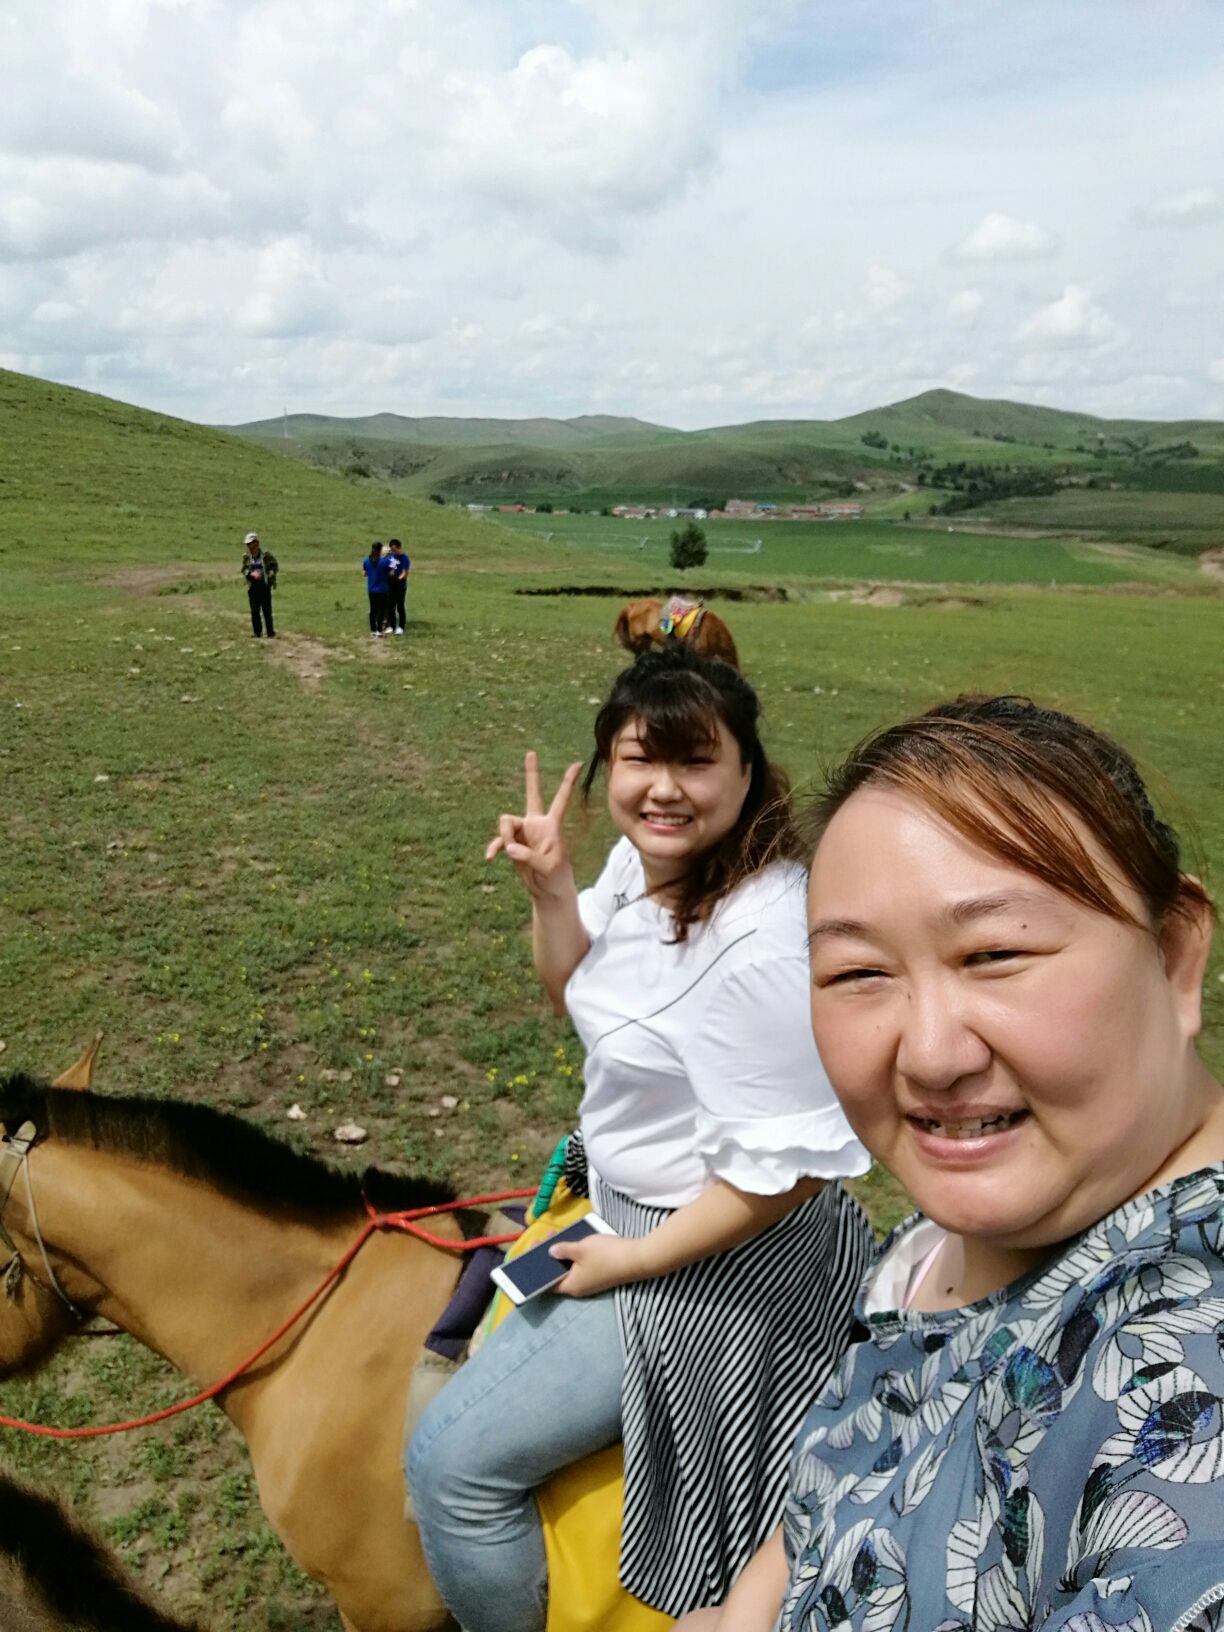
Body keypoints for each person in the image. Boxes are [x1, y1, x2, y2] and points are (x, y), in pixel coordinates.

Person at [676, 694, 1224, 1632]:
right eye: (857, 973)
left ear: (1175, 955)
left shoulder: (1179, 1389)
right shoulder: (944, 1238)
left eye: (996, 953)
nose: (929, 1056)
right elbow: (824, 1505)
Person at [407, 646, 874, 1632]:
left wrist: (630, 1261)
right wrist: (550, 889)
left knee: (447, 1462)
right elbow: (569, 989)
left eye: (695, 762)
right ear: (608, 770)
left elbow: (782, 1177)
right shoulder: (647, 861)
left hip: (711, 1257)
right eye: (637, 759)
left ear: (747, 771)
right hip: (625, 1206)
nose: (663, 788)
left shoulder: (761, 939)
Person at [241, 531, 277, 638]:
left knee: (267, 610)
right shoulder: (247, 558)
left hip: (264, 585)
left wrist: (270, 574)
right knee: (254, 610)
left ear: (256, 543)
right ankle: (257, 633)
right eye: (248, 544)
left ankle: (270, 632)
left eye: (250, 544)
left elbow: (274, 566)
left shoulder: (266, 556)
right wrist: (251, 573)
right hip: (253, 586)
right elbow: (244, 569)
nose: (249, 547)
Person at [361, 540, 390, 637]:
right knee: (381, 610)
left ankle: (373, 630)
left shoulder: (366, 560)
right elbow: (390, 573)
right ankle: (379, 630)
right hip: (383, 589)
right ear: (381, 550)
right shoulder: (384, 562)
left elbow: (364, 573)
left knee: (373, 610)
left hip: (371, 589)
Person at [386, 537, 410, 635]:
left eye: (395, 550)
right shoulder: (390, 556)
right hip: (390, 584)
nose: (393, 552)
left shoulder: (405, 559)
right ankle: (392, 626)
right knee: (390, 606)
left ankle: (401, 626)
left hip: (400, 585)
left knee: (400, 606)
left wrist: (397, 579)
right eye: (392, 550)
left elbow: (405, 573)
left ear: (399, 548)